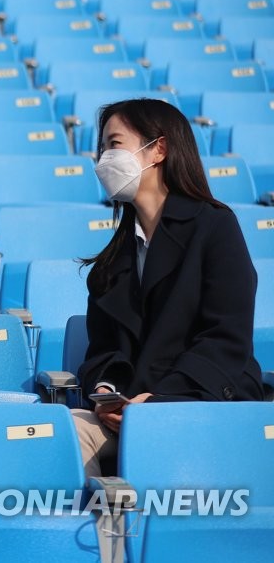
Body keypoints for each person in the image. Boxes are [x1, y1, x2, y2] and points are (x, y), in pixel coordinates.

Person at [73, 98, 264, 477]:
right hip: (131, 412)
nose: (103, 160)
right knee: (63, 434)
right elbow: (104, 351)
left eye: (114, 145)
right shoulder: (112, 261)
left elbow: (225, 339)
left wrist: (162, 400)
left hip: (201, 403)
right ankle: (80, 537)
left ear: (157, 149)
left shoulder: (214, 227)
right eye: (102, 148)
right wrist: (108, 394)